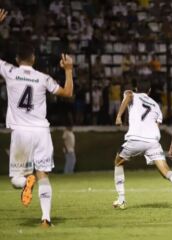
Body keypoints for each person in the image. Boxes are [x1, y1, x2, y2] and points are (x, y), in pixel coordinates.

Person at [0, 9, 74, 227]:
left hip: (21, 132)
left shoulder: (10, 71)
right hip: (42, 132)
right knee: (43, 174)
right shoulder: (44, 78)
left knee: (16, 179)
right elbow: (67, 93)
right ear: (33, 59)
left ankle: (25, 181)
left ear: (16, 59)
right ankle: (46, 219)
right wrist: (68, 70)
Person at [112, 81, 172, 209]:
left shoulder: (131, 94)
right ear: (149, 91)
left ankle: (121, 199)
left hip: (135, 139)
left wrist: (119, 116)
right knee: (166, 171)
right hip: (153, 141)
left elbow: (128, 96)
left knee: (118, 162)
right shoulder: (156, 106)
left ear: (136, 88)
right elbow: (156, 126)